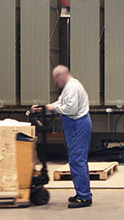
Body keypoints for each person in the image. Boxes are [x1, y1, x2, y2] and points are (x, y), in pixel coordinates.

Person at [31, 65, 92, 209]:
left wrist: (54, 108)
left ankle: (84, 197)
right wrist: (45, 107)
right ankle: (81, 193)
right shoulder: (69, 87)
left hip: (78, 125)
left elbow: (71, 108)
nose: (55, 82)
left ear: (61, 76)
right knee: (75, 160)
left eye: (56, 79)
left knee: (78, 160)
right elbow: (61, 103)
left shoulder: (72, 87)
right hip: (75, 125)